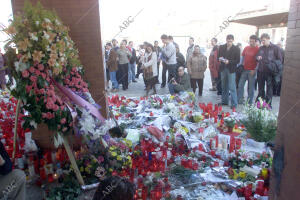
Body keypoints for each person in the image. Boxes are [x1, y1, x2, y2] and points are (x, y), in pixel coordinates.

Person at [256, 33, 283, 106]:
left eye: (264, 40)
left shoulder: (275, 48)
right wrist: (257, 58)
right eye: (262, 41)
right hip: (261, 71)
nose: (262, 42)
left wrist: (272, 65)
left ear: (268, 39)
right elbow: (257, 57)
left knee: (269, 90)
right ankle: (260, 105)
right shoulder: (261, 48)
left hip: (270, 72)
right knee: (260, 89)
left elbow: (280, 60)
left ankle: (268, 105)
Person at [218, 34, 240, 109]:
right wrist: (221, 59)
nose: (229, 43)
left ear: (233, 41)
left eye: (230, 41)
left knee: (232, 87)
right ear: (226, 40)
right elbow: (219, 56)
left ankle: (234, 103)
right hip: (223, 68)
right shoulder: (222, 47)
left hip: (231, 69)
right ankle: (224, 101)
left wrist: (229, 61)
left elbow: (237, 60)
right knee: (224, 86)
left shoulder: (236, 48)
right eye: (228, 41)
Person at [237, 35, 259, 105]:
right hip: (244, 70)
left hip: (252, 71)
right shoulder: (246, 48)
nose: (251, 42)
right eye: (250, 41)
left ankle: (249, 102)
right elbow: (242, 56)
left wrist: (255, 70)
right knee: (240, 85)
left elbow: (258, 62)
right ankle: (240, 100)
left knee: (250, 88)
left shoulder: (258, 49)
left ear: (256, 42)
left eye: (253, 41)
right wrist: (241, 64)